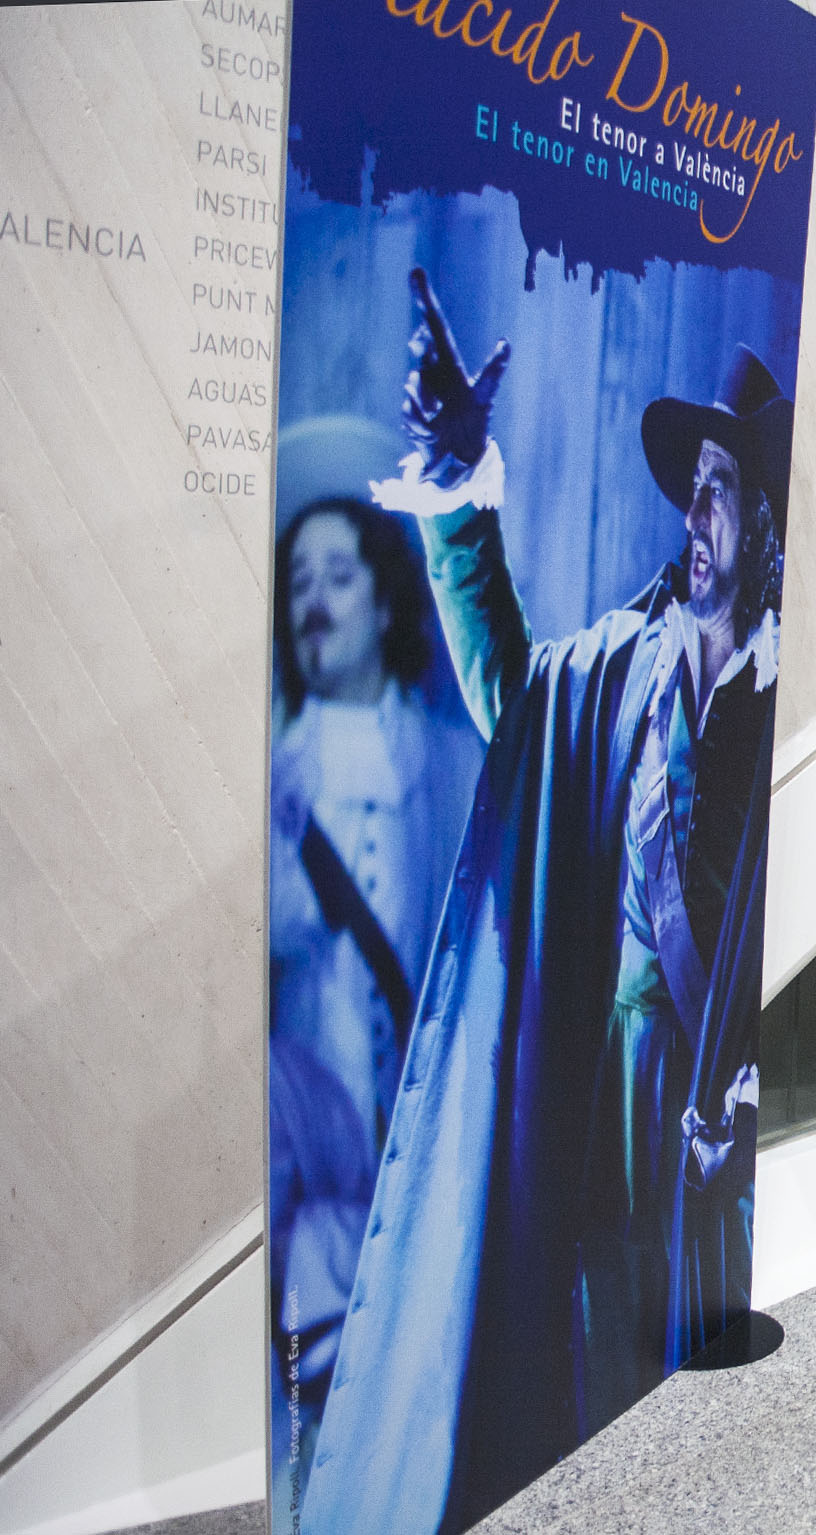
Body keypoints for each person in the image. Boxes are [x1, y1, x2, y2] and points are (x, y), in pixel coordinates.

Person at [299, 271, 785, 1534]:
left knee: (679, 1393)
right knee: (570, 1372)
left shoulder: (783, 699)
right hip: (594, 1090)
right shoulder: (627, 666)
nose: (695, 511)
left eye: (722, 489)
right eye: (693, 487)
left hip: (706, 1129)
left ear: (771, 522)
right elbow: (514, 696)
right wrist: (461, 497)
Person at [266, 494, 481, 1492]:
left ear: (388, 602)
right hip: (316, 1191)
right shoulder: (269, 775)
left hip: (427, 1177)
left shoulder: (450, 760)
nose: (314, 604)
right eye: (298, 585)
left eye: (337, 578)